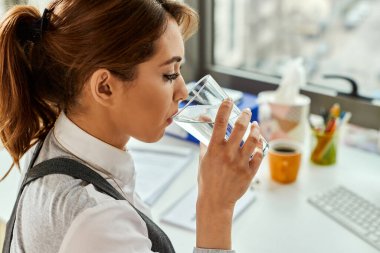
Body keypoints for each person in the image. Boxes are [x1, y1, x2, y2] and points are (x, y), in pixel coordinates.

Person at [0, 0, 264, 252]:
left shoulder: (53, 139)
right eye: (169, 75)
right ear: (104, 87)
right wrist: (216, 208)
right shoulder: (97, 223)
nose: (183, 91)